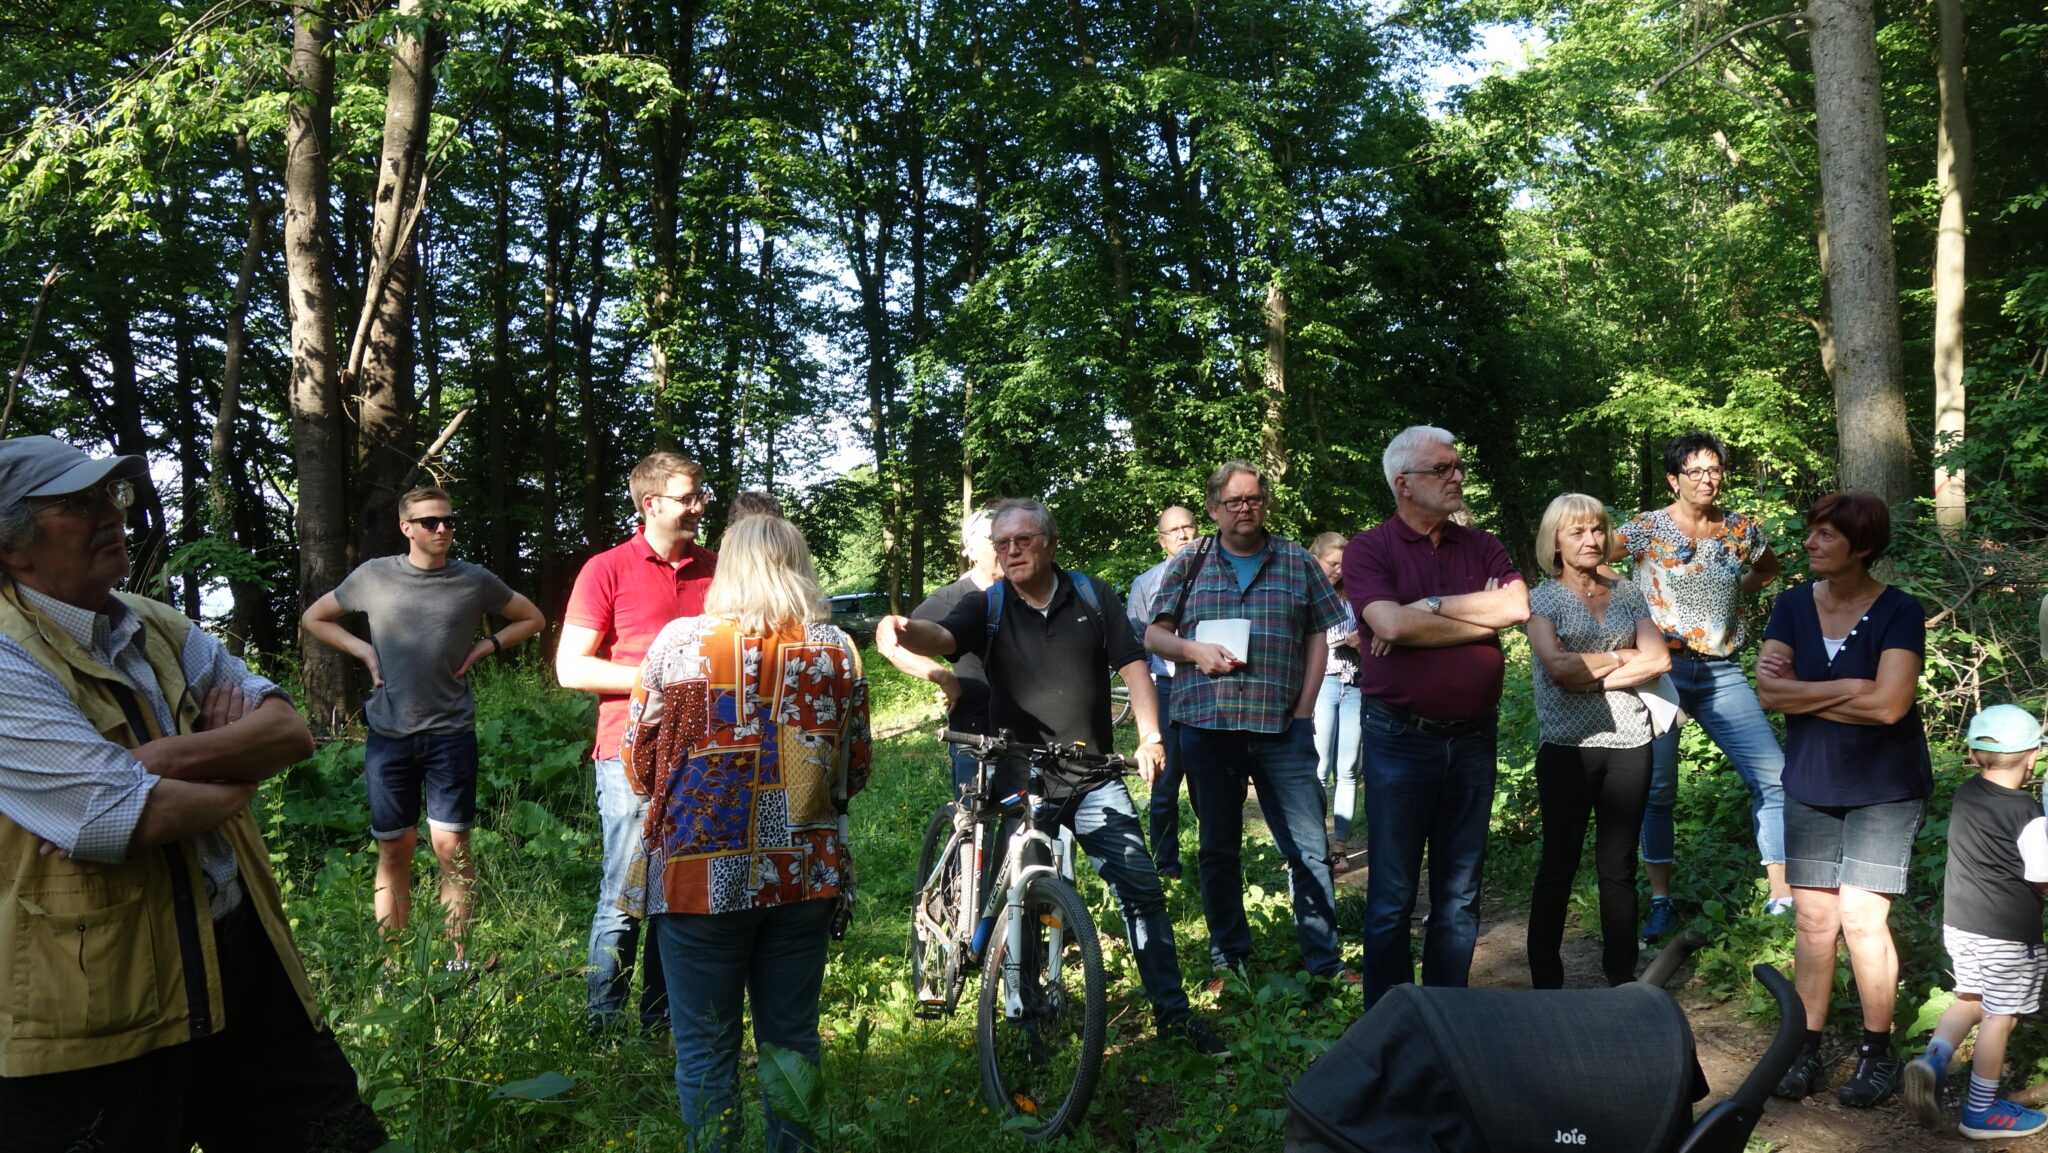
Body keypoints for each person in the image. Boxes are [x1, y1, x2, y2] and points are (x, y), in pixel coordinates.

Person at [0, 435, 385, 1152]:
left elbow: (289, 733)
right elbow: (126, 815)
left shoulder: (152, 623)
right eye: (77, 505)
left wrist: (160, 757)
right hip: (93, 1008)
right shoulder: (5, 653)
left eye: (109, 496)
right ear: (12, 547)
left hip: (239, 962)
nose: (111, 514)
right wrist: (237, 776)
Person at [882, 499, 1228, 1054]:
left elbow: (1134, 666)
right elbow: (942, 638)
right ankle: (1024, 1014)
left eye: (1022, 540)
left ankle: (1174, 1015)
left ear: (1050, 542)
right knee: (1024, 893)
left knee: (1141, 887)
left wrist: (1150, 735)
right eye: (1002, 544)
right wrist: (904, 628)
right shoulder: (986, 604)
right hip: (1018, 779)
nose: (1011, 551)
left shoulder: (1093, 595)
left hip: (1092, 775)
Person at [619, 515, 870, 1152]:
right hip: (804, 870)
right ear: (799, 563)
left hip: (700, 875)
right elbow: (856, 766)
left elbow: (639, 761)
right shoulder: (836, 647)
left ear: (726, 567)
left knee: (704, 1046)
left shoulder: (680, 644)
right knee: (792, 1039)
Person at [301, 486, 546, 966]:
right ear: (406, 527)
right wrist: (364, 650)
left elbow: (532, 618)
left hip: (451, 733)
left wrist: (485, 646)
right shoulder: (374, 576)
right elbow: (316, 617)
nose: (442, 530)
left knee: (451, 847)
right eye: (431, 522)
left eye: (449, 521)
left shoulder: (473, 580)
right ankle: (394, 965)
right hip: (388, 735)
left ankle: (457, 962)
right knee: (395, 849)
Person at [1146, 463, 1353, 986]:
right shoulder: (1189, 562)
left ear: (1266, 503)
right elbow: (1155, 636)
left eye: (1254, 499)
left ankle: (1324, 963)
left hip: (1282, 727)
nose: (1246, 508)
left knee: (1308, 845)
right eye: (1234, 501)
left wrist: (1306, 709)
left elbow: (1317, 635)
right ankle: (1229, 956)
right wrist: (1192, 650)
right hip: (1207, 725)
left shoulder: (1297, 561)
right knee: (1218, 845)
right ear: (1214, 508)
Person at [1343, 426, 1528, 1009]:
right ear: (1405, 484)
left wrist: (1428, 609)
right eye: (1443, 469)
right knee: (1393, 892)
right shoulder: (1369, 549)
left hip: (1474, 739)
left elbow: (1519, 606)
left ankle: (1450, 1020)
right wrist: (1480, 617)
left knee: (1460, 894)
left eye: (1458, 466)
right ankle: (1392, 1025)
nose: (1458, 477)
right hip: (1400, 738)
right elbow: (1389, 626)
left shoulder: (1483, 544)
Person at [1758, 491, 1931, 1107]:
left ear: (1862, 547)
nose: (1809, 543)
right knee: (1812, 918)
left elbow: (1891, 706)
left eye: (1825, 535)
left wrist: (1809, 688)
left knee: (1861, 918)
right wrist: (1850, 685)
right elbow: (1769, 695)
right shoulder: (1791, 605)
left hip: (1884, 787)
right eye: (1812, 532)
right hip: (1811, 781)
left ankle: (1876, 1052)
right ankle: (1802, 1047)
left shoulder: (1899, 611)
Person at [556, 452, 717, 1035]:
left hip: (705, 756)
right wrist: (663, 673)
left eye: (701, 495)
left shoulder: (718, 570)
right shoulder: (607, 569)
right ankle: (602, 1029)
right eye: (689, 497)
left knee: (678, 895)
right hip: (629, 755)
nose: (700, 506)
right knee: (626, 893)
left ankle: (659, 1027)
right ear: (651, 503)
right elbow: (571, 669)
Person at [1616, 430, 1789, 939]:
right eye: (1695, 471)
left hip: (1721, 671)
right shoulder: (1647, 528)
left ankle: (1781, 895)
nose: (1707, 479)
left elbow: (1768, 570)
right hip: (1659, 672)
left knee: (1776, 777)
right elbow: (1591, 560)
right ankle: (1661, 899)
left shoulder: (1740, 530)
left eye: (1714, 470)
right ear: (1674, 479)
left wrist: (1736, 589)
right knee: (1659, 789)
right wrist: (1626, 613)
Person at [1523, 494, 1670, 988]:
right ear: (1555, 542)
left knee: (1619, 867)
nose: (1591, 540)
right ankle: (1546, 980)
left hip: (1631, 742)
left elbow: (1660, 660)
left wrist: (1595, 674)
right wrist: (1622, 655)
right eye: (1577, 532)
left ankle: (1622, 979)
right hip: (1567, 745)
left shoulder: (1627, 591)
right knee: (1558, 864)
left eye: (1597, 530)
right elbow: (1559, 667)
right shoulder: (1542, 597)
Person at [1903, 705, 2048, 1138]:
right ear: (2032, 757)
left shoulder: (1967, 792)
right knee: (2000, 1016)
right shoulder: (2027, 814)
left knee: (1970, 998)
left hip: (1961, 925)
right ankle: (1980, 1112)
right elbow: (2042, 877)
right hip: (2006, 934)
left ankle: (1933, 1061)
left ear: (1971, 754)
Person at [875, 508, 998, 798]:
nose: (1004, 546)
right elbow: (895, 643)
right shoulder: (950, 598)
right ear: (969, 549)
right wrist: (942, 676)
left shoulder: (1025, 592)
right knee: (974, 830)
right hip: (974, 733)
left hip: (1028, 735)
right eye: (994, 538)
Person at [1127, 504, 1201, 878]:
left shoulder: (1218, 573)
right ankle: (1165, 864)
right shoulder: (1146, 584)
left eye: (1188, 526)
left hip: (1210, 687)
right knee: (1164, 780)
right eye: (1174, 530)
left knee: (1210, 778)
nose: (1184, 535)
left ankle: (1216, 859)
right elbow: (1135, 645)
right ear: (1161, 541)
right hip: (1168, 688)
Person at [1308, 532, 1362, 876]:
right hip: (1323, 685)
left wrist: (1360, 640)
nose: (1339, 571)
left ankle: (1340, 847)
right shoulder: (1305, 591)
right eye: (1333, 564)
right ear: (1316, 559)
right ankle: (1313, 846)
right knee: (1320, 766)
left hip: (1355, 684)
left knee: (1349, 769)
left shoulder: (1352, 594)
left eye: (1344, 565)